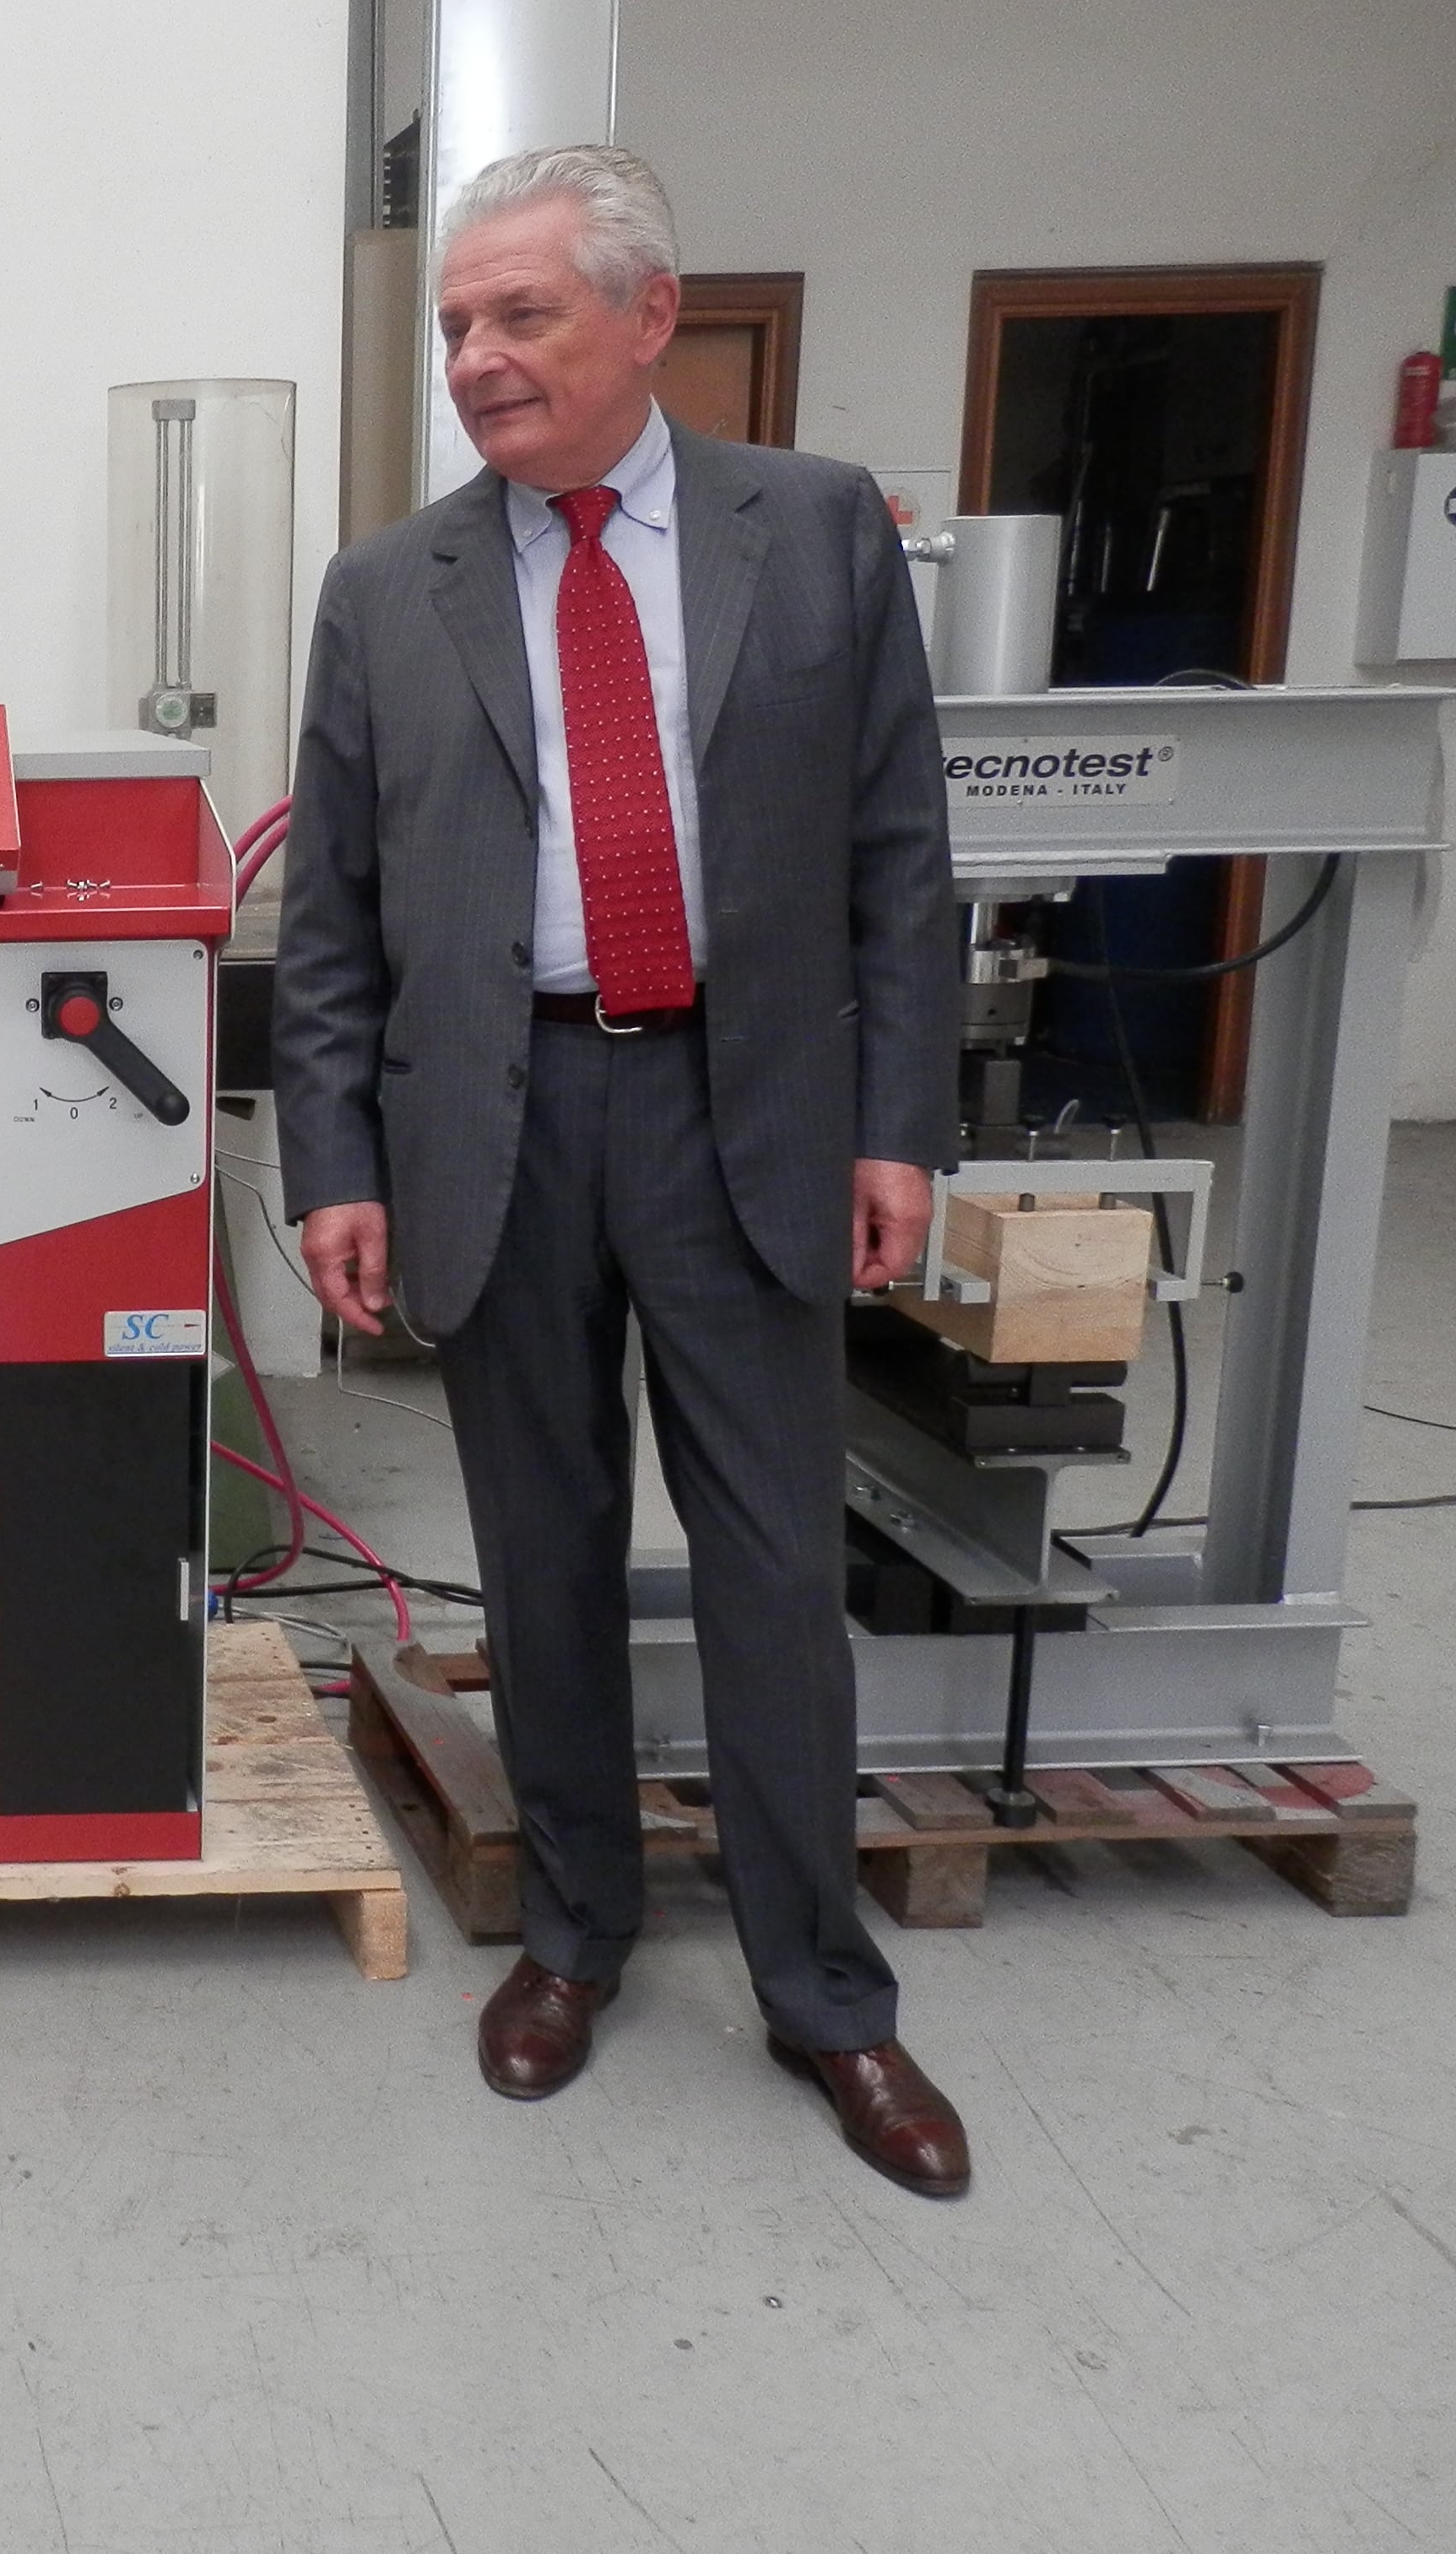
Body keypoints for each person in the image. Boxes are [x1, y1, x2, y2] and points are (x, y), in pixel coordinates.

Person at [273, 143, 972, 2196]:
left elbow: (897, 854)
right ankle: (572, 1936)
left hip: (736, 1107)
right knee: (542, 1553)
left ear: (648, 316)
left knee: (770, 1569)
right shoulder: (384, 590)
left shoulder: (812, 530)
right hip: (493, 1120)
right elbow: (332, 918)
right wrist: (331, 1159)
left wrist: (895, 1125)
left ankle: (823, 1995)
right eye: (453, 328)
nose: (474, 360)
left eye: (519, 315)